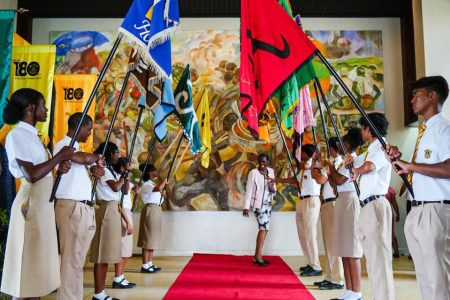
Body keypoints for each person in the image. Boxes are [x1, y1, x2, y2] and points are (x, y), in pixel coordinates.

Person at [0, 88, 75, 299]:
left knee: (38, 269)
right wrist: (59, 156)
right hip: (30, 205)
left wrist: (57, 168)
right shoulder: (16, 135)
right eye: (43, 105)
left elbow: (42, 170)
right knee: (27, 266)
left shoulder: (34, 136)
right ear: (31, 108)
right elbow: (31, 175)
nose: (47, 109)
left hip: (42, 205)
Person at [385, 75, 450, 300]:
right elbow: (425, 170)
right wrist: (404, 166)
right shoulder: (425, 132)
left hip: (435, 211)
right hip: (418, 210)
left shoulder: (444, 129)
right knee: (424, 279)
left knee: (438, 280)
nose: (412, 100)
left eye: (417, 94)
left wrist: (411, 165)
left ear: (432, 96)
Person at [53, 113, 105, 300]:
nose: (90, 133)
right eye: (89, 129)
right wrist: (97, 157)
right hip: (71, 208)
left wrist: (93, 169)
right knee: (70, 262)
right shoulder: (64, 145)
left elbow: (82, 162)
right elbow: (82, 158)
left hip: (83, 209)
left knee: (76, 263)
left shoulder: (75, 148)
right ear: (78, 126)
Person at [344, 113, 394, 300]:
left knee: (379, 260)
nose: (362, 131)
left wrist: (356, 170)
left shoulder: (382, 146)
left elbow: (370, 167)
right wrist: (351, 161)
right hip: (367, 205)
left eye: (363, 127)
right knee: (373, 260)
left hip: (376, 204)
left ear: (368, 129)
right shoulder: (371, 149)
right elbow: (361, 161)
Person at [90, 142, 134, 300]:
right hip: (107, 209)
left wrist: (126, 175)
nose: (118, 155)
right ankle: (98, 293)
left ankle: (101, 292)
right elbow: (115, 188)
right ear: (108, 154)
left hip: (115, 208)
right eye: (115, 152)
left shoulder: (112, 171)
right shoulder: (104, 171)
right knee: (103, 252)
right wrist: (122, 176)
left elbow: (125, 190)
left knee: (108, 252)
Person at [326, 128, 364, 300]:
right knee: (344, 247)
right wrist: (331, 172)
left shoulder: (353, 160)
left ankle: (357, 292)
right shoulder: (342, 163)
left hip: (350, 201)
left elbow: (340, 180)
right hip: (342, 199)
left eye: (341, 142)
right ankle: (349, 291)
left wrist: (329, 167)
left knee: (352, 247)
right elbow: (335, 183)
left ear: (347, 144)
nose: (338, 145)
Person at [310, 137, 344, 290]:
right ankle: (331, 276)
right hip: (327, 203)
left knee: (333, 244)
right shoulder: (332, 162)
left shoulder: (337, 162)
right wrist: (316, 168)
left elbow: (320, 180)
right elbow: (317, 178)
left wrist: (316, 169)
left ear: (332, 148)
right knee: (328, 243)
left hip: (333, 203)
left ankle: (338, 279)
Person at [242, 153, 276, 266]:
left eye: (264, 162)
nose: (262, 164)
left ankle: (257, 256)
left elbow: (274, 189)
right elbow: (249, 190)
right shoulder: (253, 173)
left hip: (268, 205)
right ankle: (258, 256)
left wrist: (272, 189)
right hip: (258, 206)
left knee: (265, 229)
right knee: (263, 228)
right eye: (260, 162)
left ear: (268, 162)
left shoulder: (271, 171)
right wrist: (246, 207)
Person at [137, 163, 168, 273]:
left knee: (152, 237)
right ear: (150, 172)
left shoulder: (152, 184)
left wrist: (163, 195)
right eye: (154, 170)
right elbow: (157, 189)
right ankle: (145, 265)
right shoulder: (146, 184)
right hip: (150, 210)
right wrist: (164, 182)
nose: (157, 171)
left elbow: (158, 195)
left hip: (156, 209)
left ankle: (150, 263)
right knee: (148, 237)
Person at [112, 157, 136, 284]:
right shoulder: (117, 178)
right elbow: (119, 204)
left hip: (127, 212)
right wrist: (127, 222)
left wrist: (128, 177)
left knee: (126, 249)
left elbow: (126, 191)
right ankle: (117, 277)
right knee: (123, 248)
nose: (130, 167)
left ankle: (121, 276)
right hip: (123, 213)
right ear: (122, 168)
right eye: (128, 165)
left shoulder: (124, 178)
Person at [385, 186, 400, 258]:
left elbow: (394, 203)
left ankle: (396, 252)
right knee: (390, 233)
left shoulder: (389, 189)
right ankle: (393, 252)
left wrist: (397, 214)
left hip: (388, 213)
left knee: (391, 233)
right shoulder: (389, 189)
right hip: (386, 212)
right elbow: (394, 203)